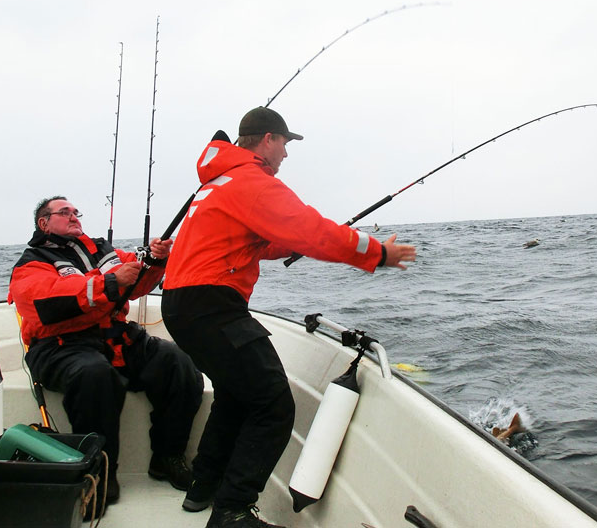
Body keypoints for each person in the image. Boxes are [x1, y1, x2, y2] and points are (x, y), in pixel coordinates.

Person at [161, 107, 417, 528]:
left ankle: (203, 487)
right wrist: (378, 253)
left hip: (183, 303)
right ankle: (233, 512)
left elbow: (256, 242)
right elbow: (310, 230)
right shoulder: (250, 181)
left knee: (236, 394)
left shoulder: (220, 182)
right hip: (210, 306)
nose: (286, 153)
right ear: (266, 139)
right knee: (274, 404)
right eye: (284, 143)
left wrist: (287, 243)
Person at [8, 196, 204, 507]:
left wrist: (154, 261)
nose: (74, 216)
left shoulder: (101, 250)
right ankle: (98, 474)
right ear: (44, 223)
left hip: (113, 339)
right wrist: (109, 283)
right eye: (64, 212)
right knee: (95, 376)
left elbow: (136, 282)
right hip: (59, 347)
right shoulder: (31, 262)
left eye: (76, 212)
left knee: (178, 363)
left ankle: (167, 458)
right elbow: (46, 301)